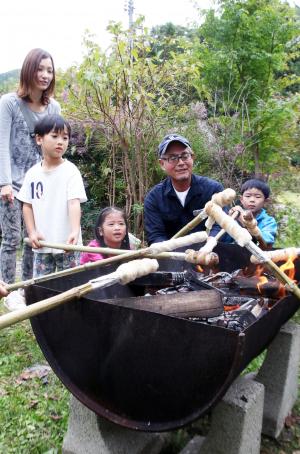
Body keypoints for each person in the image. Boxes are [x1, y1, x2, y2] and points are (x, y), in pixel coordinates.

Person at [0, 48, 61, 284]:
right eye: (40, 69)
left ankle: (27, 286)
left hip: (39, 185)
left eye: (50, 70)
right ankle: (7, 288)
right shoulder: (9, 103)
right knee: (12, 238)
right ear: (29, 70)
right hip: (11, 184)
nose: (45, 75)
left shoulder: (53, 107)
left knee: (33, 238)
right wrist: (4, 183)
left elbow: (55, 146)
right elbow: (2, 144)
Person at [17, 114, 87, 277]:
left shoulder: (71, 171)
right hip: (42, 243)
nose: (60, 142)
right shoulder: (32, 174)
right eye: (54, 136)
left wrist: (75, 231)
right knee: (42, 286)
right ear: (39, 139)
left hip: (67, 244)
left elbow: (74, 203)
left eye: (65, 137)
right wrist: (32, 232)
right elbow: (27, 205)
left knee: (70, 286)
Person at [144, 133, 225, 244]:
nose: (181, 163)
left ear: (192, 157)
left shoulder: (213, 190)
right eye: (173, 158)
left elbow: (220, 225)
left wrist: (208, 246)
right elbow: (156, 237)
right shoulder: (154, 198)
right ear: (162, 164)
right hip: (172, 256)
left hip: (210, 253)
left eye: (185, 156)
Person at [232, 178, 277, 246]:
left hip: (257, 255)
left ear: (265, 201)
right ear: (241, 199)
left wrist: (245, 222)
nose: (252, 200)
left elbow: (265, 243)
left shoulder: (269, 221)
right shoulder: (236, 215)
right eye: (248, 196)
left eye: (257, 197)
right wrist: (230, 219)